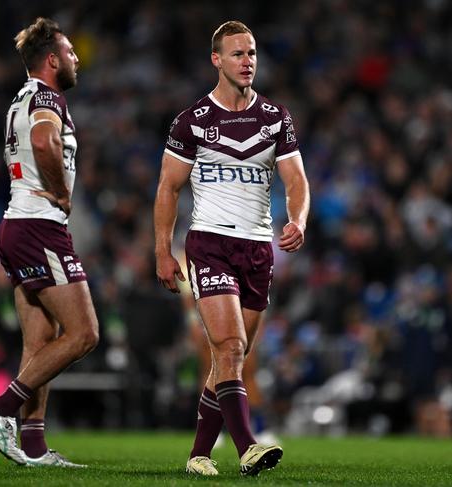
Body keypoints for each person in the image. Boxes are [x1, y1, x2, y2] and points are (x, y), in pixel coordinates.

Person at [154, 20, 310, 477]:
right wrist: (163, 251)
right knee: (229, 344)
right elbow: (168, 188)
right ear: (216, 60)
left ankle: (199, 454)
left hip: (258, 248)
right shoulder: (192, 122)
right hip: (210, 243)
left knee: (231, 358)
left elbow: (296, 180)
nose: (247, 61)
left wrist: (297, 220)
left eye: (252, 53)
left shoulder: (275, 118)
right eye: (238, 54)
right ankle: (247, 448)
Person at [0, 17, 99, 468]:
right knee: (84, 333)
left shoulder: (19, 98)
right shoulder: (47, 96)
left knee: (39, 342)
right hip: (39, 226)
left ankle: (33, 446)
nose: (76, 58)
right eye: (69, 52)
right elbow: (45, 141)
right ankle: (1, 408)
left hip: (15, 225)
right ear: (51, 60)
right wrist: (63, 191)